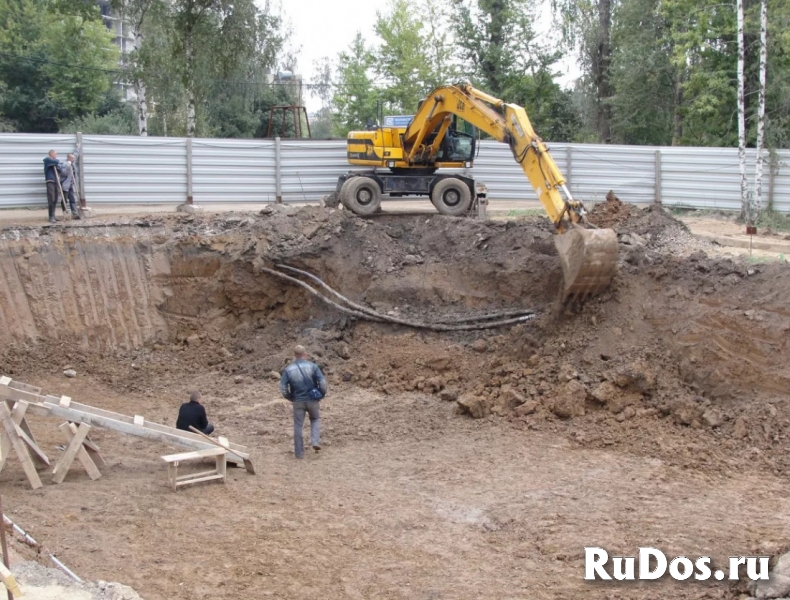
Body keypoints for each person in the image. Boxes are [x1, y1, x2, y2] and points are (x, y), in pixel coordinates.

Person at [280, 345, 327, 459]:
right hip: (312, 399)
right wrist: (321, 394)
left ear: (295, 355)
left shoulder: (288, 369)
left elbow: (283, 388)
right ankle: (315, 441)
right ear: (305, 354)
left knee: (298, 425)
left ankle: (299, 453)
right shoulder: (313, 366)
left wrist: (291, 397)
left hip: (298, 401)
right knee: (315, 419)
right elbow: (322, 383)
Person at [58, 150, 81, 220]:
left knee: (72, 199)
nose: (73, 159)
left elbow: (76, 155)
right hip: (65, 185)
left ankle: (74, 213)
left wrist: (77, 148)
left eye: (74, 158)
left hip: (71, 184)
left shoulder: (73, 163)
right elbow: (63, 173)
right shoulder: (65, 164)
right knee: (64, 200)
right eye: (72, 158)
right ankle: (65, 212)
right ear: (68, 158)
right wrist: (68, 167)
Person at [43, 150, 61, 224]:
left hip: (56, 181)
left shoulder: (53, 162)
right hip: (50, 181)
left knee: (55, 199)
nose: (56, 155)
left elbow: (59, 169)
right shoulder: (47, 160)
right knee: (51, 199)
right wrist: (56, 162)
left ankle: (53, 215)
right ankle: (51, 217)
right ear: (52, 154)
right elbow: (57, 161)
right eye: (55, 154)